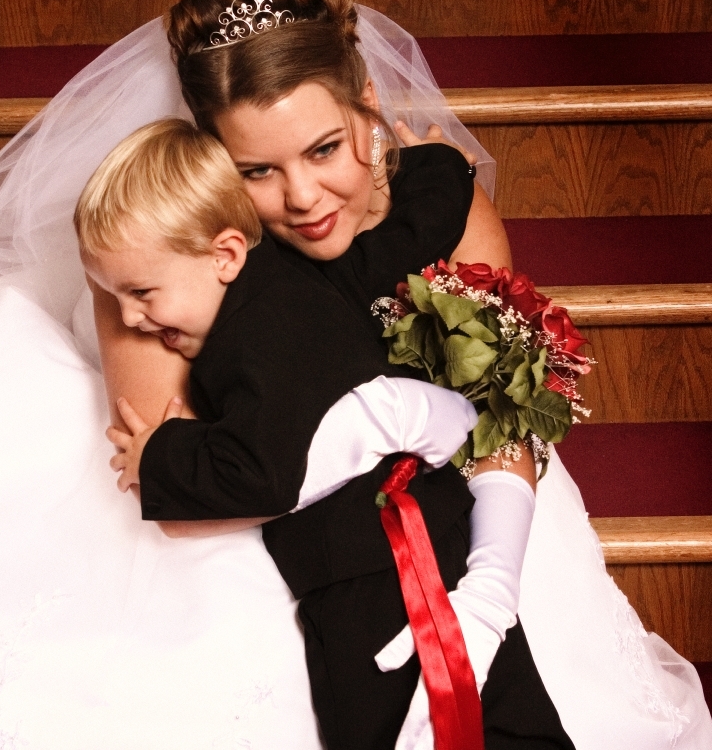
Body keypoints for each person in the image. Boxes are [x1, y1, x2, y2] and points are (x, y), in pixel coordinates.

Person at [0, 0, 708, 749]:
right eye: (255, 169)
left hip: (463, 515)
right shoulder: (170, 254)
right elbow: (188, 476)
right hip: (280, 545)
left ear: (367, 104)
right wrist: (377, 421)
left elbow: (502, 406)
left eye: (325, 149)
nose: (300, 196)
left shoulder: (441, 204)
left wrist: (493, 575)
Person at [74, 116, 570, 749]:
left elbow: (267, 473)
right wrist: (440, 166)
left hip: (375, 569)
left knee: (397, 723)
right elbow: (408, 235)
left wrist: (160, 456)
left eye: (142, 292)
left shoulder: (256, 342)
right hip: (427, 537)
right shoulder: (296, 282)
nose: (130, 318)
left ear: (225, 255)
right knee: (501, 710)